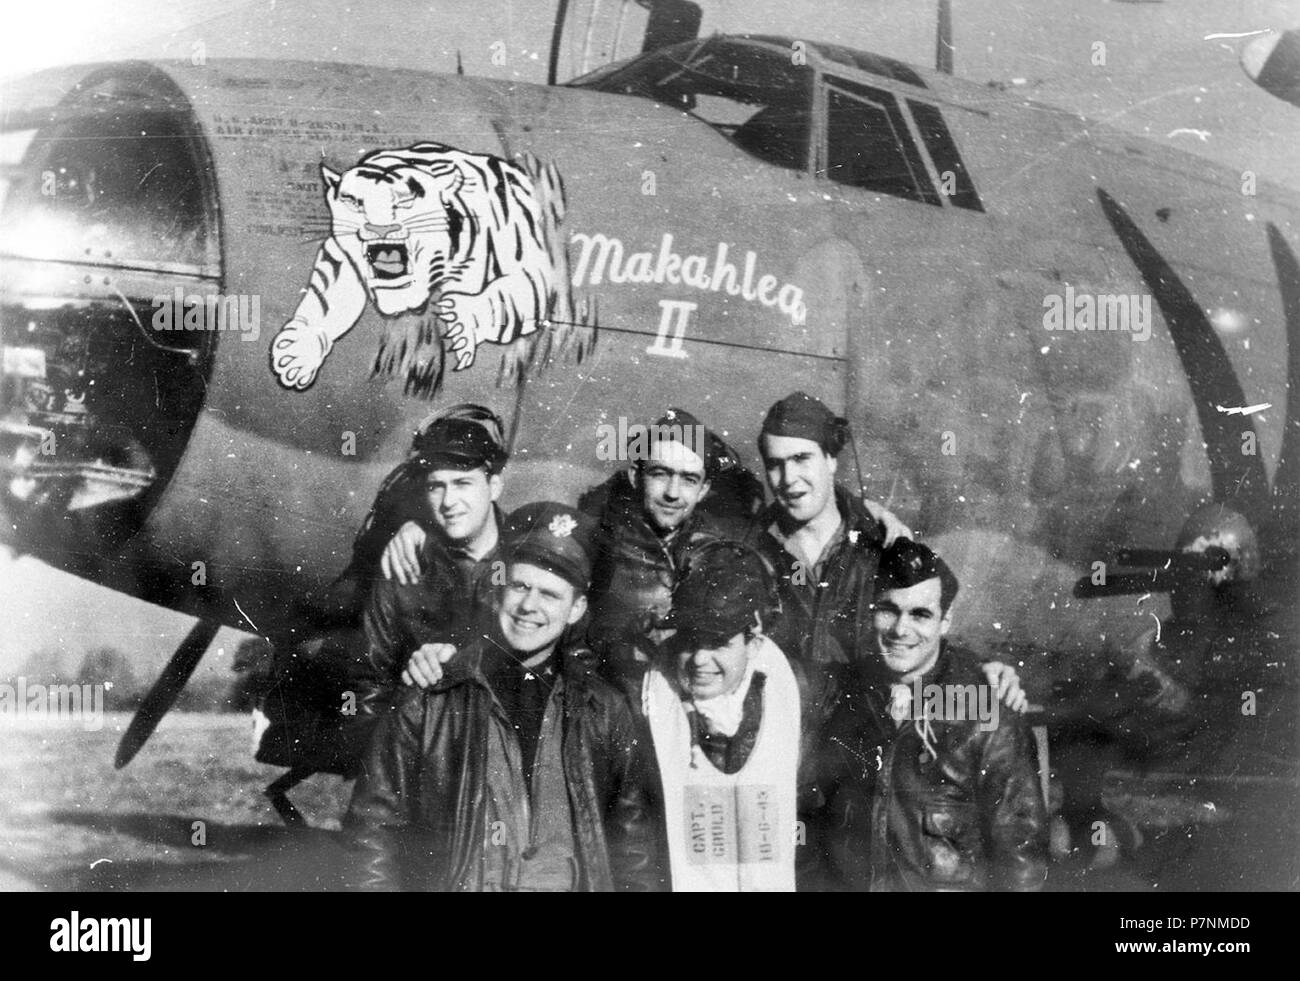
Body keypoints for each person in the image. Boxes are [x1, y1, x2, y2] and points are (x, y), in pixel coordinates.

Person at [344, 502, 663, 891]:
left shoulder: (603, 710)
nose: (529, 606)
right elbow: (371, 834)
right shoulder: (431, 696)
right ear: (499, 591)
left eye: (550, 595)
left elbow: (634, 851)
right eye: (520, 586)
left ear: (577, 608)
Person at [751, 391, 1025, 727]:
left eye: (801, 459)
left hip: (865, 737)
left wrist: (985, 669)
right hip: (784, 734)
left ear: (831, 459)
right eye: (775, 465)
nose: (789, 478)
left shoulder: (885, 542)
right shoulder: (751, 549)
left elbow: (927, 631)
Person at [812, 540, 1048, 891]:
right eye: (888, 610)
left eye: (920, 614)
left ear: (945, 621)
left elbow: (1021, 859)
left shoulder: (986, 710)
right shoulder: (839, 694)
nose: (900, 630)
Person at [640, 540, 808, 891]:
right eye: (690, 639)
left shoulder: (796, 698)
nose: (700, 659)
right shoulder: (645, 704)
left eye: (718, 642)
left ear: (753, 644)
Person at [581, 408, 756, 696]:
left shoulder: (721, 552)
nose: (673, 493)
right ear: (636, 477)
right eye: (660, 474)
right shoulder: (598, 544)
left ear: (703, 489)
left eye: (689, 479)